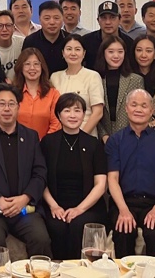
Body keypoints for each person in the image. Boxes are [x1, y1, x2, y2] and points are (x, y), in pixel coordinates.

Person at [0, 84, 52, 256]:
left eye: (11, 104)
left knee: (41, 239)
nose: (7, 109)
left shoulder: (31, 136)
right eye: (2, 104)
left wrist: (25, 198)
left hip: (24, 209)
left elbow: (40, 173)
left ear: (18, 107)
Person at [106, 89, 155, 258]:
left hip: (154, 203)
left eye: (144, 106)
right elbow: (112, 179)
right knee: (123, 231)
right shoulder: (115, 141)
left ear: (151, 111)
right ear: (126, 108)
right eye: (134, 105)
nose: (138, 109)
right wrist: (123, 210)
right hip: (124, 201)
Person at [40, 93, 108, 260]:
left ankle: (78, 270)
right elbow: (40, 179)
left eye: (77, 110)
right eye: (67, 110)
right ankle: (59, 269)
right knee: (57, 227)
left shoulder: (94, 144)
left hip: (88, 206)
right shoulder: (48, 142)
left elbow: (101, 184)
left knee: (78, 225)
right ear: (58, 115)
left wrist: (79, 209)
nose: (72, 115)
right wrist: (54, 206)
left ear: (84, 114)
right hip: (55, 205)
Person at [50, 34, 105, 137]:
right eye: (69, 49)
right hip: (60, 136)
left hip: (86, 136)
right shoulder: (55, 77)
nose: (73, 53)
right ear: (63, 53)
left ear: (84, 53)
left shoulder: (92, 76)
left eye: (77, 49)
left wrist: (81, 137)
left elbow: (98, 112)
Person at [95, 36, 145, 142]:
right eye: (111, 52)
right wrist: (104, 135)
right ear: (103, 53)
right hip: (102, 139)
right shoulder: (95, 78)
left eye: (120, 52)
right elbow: (93, 111)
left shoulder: (136, 80)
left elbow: (140, 111)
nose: (116, 56)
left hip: (131, 137)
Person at [13, 48, 61, 139]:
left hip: (46, 145)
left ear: (42, 67)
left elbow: (56, 124)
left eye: (36, 64)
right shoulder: (12, 93)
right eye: (27, 64)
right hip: (16, 144)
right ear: (21, 67)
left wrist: (44, 143)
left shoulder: (53, 94)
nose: (32, 68)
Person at [82, 1, 136, 72]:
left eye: (112, 17)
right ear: (98, 20)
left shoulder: (129, 43)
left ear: (120, 19)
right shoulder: (86, 41)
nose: (108, 22)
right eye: (104, 18)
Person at [22, 0, 69, 75]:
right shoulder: (30, 41)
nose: (52, 22)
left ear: (63, 19)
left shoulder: (70, 40)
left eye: (56, 18)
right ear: (40, 19)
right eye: (47, 18)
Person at [0, 10, 25, 81]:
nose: (4, 29)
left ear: (14, 28)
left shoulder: (22, 43)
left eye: (8, 25)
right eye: (0, 26)